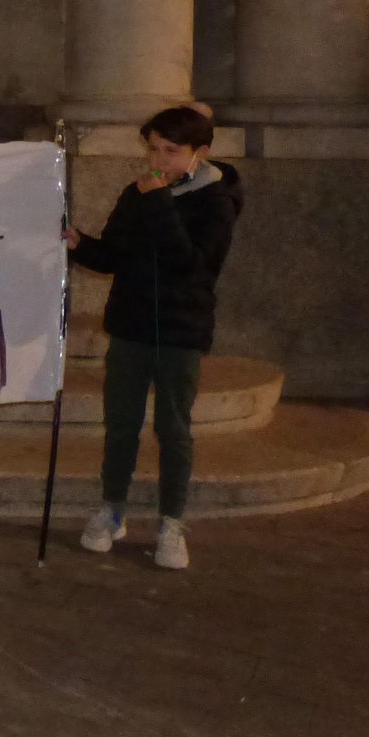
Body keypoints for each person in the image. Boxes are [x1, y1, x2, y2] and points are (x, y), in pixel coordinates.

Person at [63, 104, 242, 571]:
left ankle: (171, 523)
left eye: (170, 150)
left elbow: (191, 266)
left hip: (181, 331)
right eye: (151, 148)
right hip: (131, 326)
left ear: (199, 153)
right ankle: (112, 510)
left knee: (173, 428)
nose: (157, 159)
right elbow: (116, 255)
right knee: (121, 422)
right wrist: (81, 245)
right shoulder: (137, 192)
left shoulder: (216, 201)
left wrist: (160, 201)